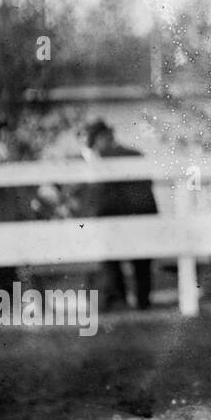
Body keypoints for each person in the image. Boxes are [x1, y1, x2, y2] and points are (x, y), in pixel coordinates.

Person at [79, 119, 158, 311]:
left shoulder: (99, 161)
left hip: (115, 217)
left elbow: (96, 197)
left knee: (112, 260)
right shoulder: (135, 154)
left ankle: (121, 301)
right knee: (141, 264)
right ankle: (142, 302)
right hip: (141, 217)